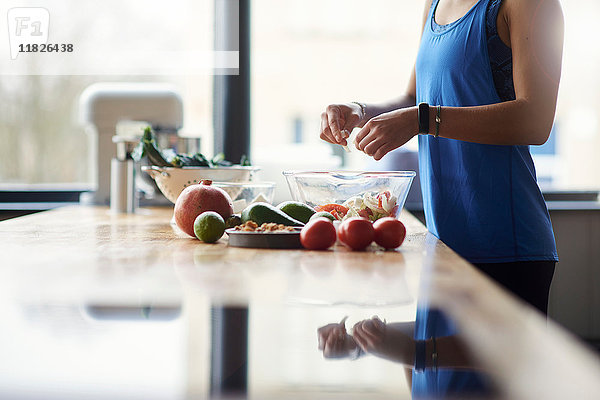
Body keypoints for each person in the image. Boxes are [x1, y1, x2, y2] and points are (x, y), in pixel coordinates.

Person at [318, 0, 564, 396]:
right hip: (446, 247)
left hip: (507, 252)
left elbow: (535, 120)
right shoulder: (435, 7)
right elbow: (414, 99)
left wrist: (421, 119)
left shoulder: (528, 4)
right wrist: (359, 110)